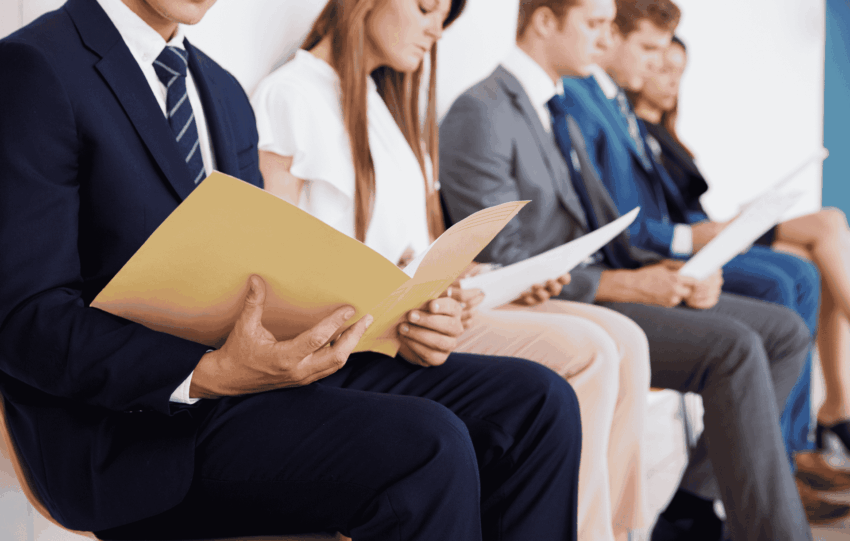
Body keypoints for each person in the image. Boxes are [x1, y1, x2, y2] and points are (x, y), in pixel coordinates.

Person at [0, 0, 584, 539]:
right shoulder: (36, 67)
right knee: (428, 445)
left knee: (537, 403)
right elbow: (25, 319)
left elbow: (257, 277)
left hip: (260, 380)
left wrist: (398, 321)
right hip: (133, 433)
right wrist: (206, 372)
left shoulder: (221, 91)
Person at [251, 1, 648, 539]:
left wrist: (474, 277)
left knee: (616, 340)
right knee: (589, 352)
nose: (436, 27)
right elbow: (271, 271)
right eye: (425, 7)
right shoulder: (291, 95)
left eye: (445, 15)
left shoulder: (383, 103)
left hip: (413, 317)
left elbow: (412, 249)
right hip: (363, 336)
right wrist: (396, 293)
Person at [438, 0, 819, 538]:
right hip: (559, 298)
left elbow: (608, 226)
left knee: (782, 330)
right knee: (735, 347)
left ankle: (694, 506)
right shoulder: (484, 109)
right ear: (545, 22)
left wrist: (669, 270)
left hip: (593, 285)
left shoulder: (553, 107)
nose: (604, 38)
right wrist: (626, 281)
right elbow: (506, 261)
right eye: (593, 24)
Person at [560, 0, 822, 484]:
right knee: (785, 286)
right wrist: (688, 237)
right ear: (612, 39)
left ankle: (776, 458)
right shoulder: (581, 101)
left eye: (667, 55)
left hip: (664, 245)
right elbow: (620, 221)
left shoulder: (617, 103)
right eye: (649, 50)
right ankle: (770, 464)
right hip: (644, 256)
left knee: (798, 275)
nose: (657, 64)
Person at [635, 35, 850, 489]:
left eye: (678, 69)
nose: (671, 78)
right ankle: (806, 436)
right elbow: (656, 225)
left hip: (707, 232)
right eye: (659, 64)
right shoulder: (628, 131)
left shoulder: (666, 135)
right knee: (821, 237)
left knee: (817, 257)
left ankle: (830, 415)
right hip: (692, 245)